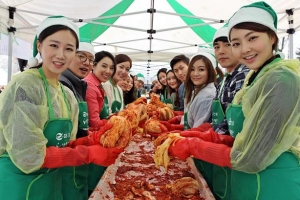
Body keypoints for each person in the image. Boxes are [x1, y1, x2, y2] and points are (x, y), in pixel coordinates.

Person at [169, 2, 300, 200]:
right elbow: (239, 133)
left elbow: (251, 157)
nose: (245, 49)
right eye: (236, 43)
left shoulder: (281, 79)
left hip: (273, 184)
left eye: (252, 38)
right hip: (245, 183)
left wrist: (194, 145)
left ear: (272, 37)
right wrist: (205, 137)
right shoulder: (254, 78)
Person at [0, 16, 123, 200]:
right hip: (20, 185)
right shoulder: (25, 85)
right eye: (54, 45)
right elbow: (29, 155)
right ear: (40, 46)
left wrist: (93, 141)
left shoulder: (66, 94)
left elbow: (64, 143)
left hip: (51, 183)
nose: (61, 55)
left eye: (69, 49)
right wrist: (87, 154)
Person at [59, 41, 95, 200]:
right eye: (82, 57)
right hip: (62, 169)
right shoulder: (62, 85)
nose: (87, 63)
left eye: (91, 60)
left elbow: (78, 127)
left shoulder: (78, 86)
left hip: (77, 163)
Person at [84, 50, 117, 193]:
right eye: (104, 66)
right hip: (91, 143)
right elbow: (94, 122)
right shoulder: (90, 86)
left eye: (111, 68)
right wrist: (118, 121)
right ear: (94, 65)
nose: (108, 71)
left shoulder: (98, 85)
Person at [184, 52, 216, 129]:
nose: (195, 74)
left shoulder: (207, 95)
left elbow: (198, 128)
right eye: (192, 69)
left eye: (201, 69)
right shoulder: (195, 91)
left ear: (210, 71)